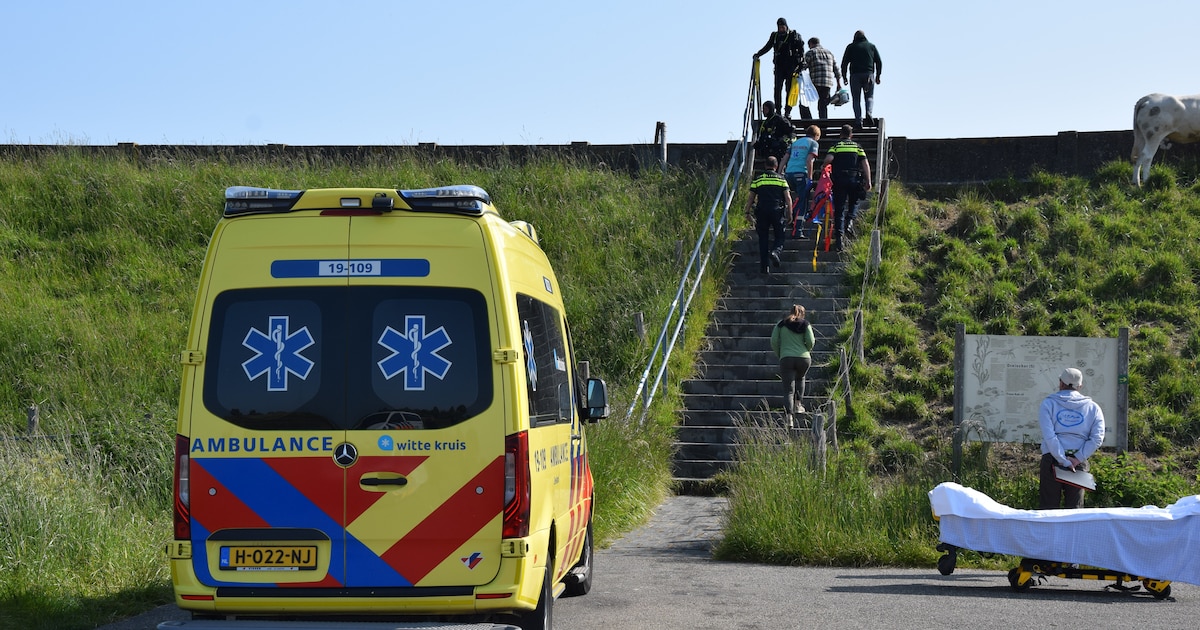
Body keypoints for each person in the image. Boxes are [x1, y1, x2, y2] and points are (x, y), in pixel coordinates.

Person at [1038, 368, 1105, 509]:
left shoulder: (1048, 403)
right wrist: (1077, 459)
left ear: (1061, 383)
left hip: (1052, 458)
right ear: (1080, 386)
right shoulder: (1093, 407)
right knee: (1075, 510)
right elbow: (1097, 438)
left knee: (1048, 508)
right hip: (1078, 462)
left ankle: (1049, 532)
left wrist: (1062, 459)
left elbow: (1049, 436)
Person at [821, 125, 871, 251]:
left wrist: (823, 166)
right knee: (855, 202)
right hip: (854, 179)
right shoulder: (857, 146)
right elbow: (865, 164)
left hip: (839, 181)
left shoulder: (836, 146)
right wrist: (868, 181)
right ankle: (849, 221)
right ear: (851, 135)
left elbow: (829, 159)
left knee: (839, 210)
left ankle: (839, 241)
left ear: (840, 134)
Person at [744, 156, 792, 274]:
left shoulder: (758, 179)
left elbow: (751, 197)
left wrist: (747, 212)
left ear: (765, 166)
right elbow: (788, 198)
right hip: (777, 211)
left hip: (762, 211)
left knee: (763, 239)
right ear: (776, 167)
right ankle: (775, 252)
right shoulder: (781, 179)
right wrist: (790, 213)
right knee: (780, 236)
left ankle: (764, 267)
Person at [753, 18, 808, 119]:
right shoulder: (775, 36)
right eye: (779, 27)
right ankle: (778, 111)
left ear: (786, 26)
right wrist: (758, 54)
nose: (781, 29)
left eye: (783, 27)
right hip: (779, 66)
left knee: (789, 89)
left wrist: (801, 64)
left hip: (791, 66)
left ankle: (787, 111)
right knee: (777, 88)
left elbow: (801, 50)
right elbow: (768, 46)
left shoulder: (793, 35)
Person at [771, 304, 815, 429]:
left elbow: (773, 341)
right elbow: (811, 341)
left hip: (786, 358)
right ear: (802, 314)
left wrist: (781, 354)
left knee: (788, 390)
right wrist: (806, 350)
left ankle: (789, 418)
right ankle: (798, 405)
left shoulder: (781, 324)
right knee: (800, 378)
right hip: (804, 358)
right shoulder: (806, 324)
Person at [781, 124, 821, 239]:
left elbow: (784, 159)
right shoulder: (813, 143)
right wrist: (810, 178)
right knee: (802, 202)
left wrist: (780, 173)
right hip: (801, 174)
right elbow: (809, 160)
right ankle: (797, 230)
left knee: (790, 199)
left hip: (788, 173)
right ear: (816, 135)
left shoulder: (795, 143)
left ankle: (786, 222)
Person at [840, 30, 882, 129]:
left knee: (856, 99)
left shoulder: (851, 47)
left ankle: (859, 121)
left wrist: (844, 76)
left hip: (855, 76)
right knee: (869, 97)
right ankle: (869, 112)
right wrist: (878, 76)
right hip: (869, 74)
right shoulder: (871, 46)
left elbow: (844, 63)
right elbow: (879, 62)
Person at [803, 37, 842, 119]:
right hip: (827, 83)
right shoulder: (829, 53)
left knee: (804, 102)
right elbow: (836, 70)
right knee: (823, 105)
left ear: (810, 44)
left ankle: (808, 122)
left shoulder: (810, 52)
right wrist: (839, 84)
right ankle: (823, 124)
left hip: (815, 83)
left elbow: (803, 66)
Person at [753, 101, 795, 165]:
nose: (763, 111)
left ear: (770, 109)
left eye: (765, 109)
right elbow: (763, 136)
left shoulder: (780, 119)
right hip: (768, 151)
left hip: (778, 151)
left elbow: (790, 131)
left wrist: (781, 142)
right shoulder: (765, 123)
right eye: (763, 109)